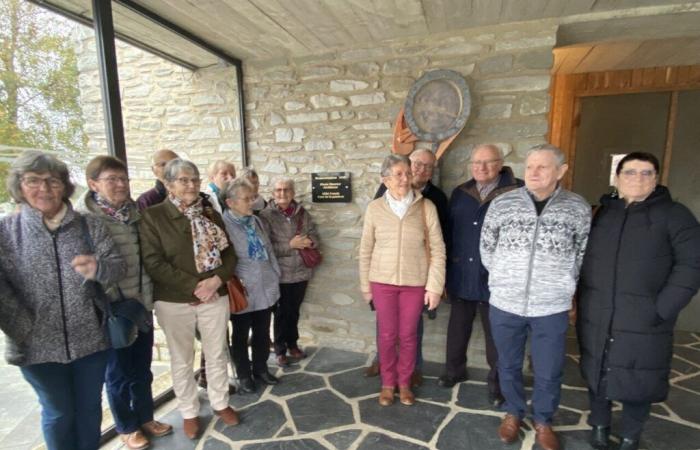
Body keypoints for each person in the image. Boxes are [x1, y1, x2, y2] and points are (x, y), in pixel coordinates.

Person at [0, 151, 127, 450]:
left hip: (91, 341)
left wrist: (99, 268)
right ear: (19, 185)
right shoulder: (6, 232)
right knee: (58, 413)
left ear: (64, 186)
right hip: (35, 346)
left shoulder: (87, 225)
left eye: (52, 181)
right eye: (34, 181)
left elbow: (117, 266)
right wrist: (23, 327)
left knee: (88, 410)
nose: (44, 189)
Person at [577, 152, 700, 450]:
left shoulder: (675, 215)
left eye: (647, 173)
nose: (638, 178)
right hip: (599, 311)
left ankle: (632, 432)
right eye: (630, 172)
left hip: (645, 315)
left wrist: (663, 308)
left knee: (640, 377)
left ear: (656, 178)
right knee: (598, 368)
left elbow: (692, 265)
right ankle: (600, 424)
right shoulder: (602, 212)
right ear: (618, 178)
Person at [480, 144, 591, 450]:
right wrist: (505, 278)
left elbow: (581, 254)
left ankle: (543, 419)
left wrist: (563, 285)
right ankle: (513, 412)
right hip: (506, 302)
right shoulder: (502, 204)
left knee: (549, 367)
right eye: (530, 167)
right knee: (508, 364)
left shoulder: (577, 208)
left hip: (551, 305)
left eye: (542, 167)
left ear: (561, 171)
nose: (534, 173)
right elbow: (487, 249)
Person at [75, 155, 172, 449]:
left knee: (142, 368)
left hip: (141, 304)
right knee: (117, 374)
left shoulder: (135, 212)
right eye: (111, 180)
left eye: (123, 179)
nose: (120, 185)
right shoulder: (85, 221)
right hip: (112, 311)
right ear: (93, 184)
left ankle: (145, 417)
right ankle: (127, 427)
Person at [140, 159, 239, 439]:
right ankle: (189, 412)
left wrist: (217, 280)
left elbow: (230, 254)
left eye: (194, 179)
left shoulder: (209, 213)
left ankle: (220, 403)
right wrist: (196, 286)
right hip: (173, 301)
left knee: (217, 352)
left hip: (214, 295)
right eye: (183, 180)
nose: (191, 185)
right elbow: (153, 262)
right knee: (182, 359)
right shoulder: (153, 216)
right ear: (168, 184)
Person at [439, 144, 522, 408]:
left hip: (496, 277)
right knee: (457, 328)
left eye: (487, 162)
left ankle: (497, 384)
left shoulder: (518, 191)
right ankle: (454, 371)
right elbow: (449, 234)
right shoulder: (461, 193)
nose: (481, 168)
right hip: (462, 271)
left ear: (500, 163)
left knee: (496, 334)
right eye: (476, 163)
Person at [359, 154, 446, 406]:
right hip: (382, 282)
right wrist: (366, 287)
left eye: (407, 173)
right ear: (385, 179)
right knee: (386, 335)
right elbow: (365, 249)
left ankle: (404, 383)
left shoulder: (426, 207)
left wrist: (435, 286)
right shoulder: (375, 208)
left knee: (408, 335)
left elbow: (438, 249)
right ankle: (387, 383)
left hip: (415, 283)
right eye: (398, 174)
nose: (405, 178)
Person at [222, 178, 281, 393]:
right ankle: (244, 374)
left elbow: (269, 250)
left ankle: (261, 369)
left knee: (263, 331)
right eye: (246, 199)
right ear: (231, 202)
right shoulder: (224, 226)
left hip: (265, 285)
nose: (252, 203)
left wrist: (275, 274)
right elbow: (224, 260)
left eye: (252, 197)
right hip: (243, 289)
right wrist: (239, 281)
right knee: (240, 334)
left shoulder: (254, 221)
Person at [260, 177, 320, 367]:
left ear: (293, 193)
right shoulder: (265, 216)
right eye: (278, 190)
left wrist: (310, 242)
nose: (282, 193)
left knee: (293, 311)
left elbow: (315, 235)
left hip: (301, 272)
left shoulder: (302, 213)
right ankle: (279, 349)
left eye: (286, 190)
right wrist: (290, 246)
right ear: (272, 193)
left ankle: (293, 344)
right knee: (281, 313)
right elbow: (266, 248)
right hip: (280, 274)